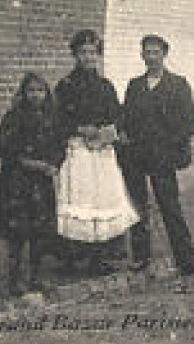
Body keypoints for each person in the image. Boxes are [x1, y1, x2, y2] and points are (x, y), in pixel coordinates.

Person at [119, 34, 194, 282]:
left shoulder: (178, 84)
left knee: (170, 207)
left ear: (164, 54)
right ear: (142, 56)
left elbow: (191, 122)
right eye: (147, 52)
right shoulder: (134, 86)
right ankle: (140, 258)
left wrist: (170, 144)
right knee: (137, 208)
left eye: (155, 52)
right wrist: (125, 134)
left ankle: (186, 259)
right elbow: (125, 119)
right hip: (136, 156)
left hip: (163, 157)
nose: (151, 57)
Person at [53, 29, 138, 274]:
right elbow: (57, 120)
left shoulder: (105, 86)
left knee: (102, 199)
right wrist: (80, 128)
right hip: (78, 150)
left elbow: (118, 116)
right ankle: (72, 257)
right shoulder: (66, 86)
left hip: (101, 151)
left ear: (98, 56)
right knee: (79, 199)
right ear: (75, 55)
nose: (88, 58)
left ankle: (98, 257)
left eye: (92, 52)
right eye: (82, 53)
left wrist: (105, 132)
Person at [0, 72, 64, 296]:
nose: (36, 95)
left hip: (41, 184)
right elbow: (6, 150)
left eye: (40, 91)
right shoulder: (14, 117)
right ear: (23, 93)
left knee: (40, 232)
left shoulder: (51, 117)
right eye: (31, 91)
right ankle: (15, 279)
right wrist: (33, 164)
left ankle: (36, 277)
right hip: (17, 182)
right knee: (17, 232)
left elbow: (59, 145)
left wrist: (54, 163)